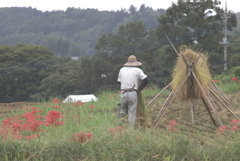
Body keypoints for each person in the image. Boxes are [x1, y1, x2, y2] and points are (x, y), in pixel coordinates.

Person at [117, 55, 148, 129]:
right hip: (132, 93)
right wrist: (141, 87)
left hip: (123, 93)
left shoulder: (122, 69)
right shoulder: (137, 70)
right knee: (132, 112)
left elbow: (119, 81)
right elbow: (146, 80)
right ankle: (131, 129)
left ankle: (120, 127)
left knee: (123, 111)